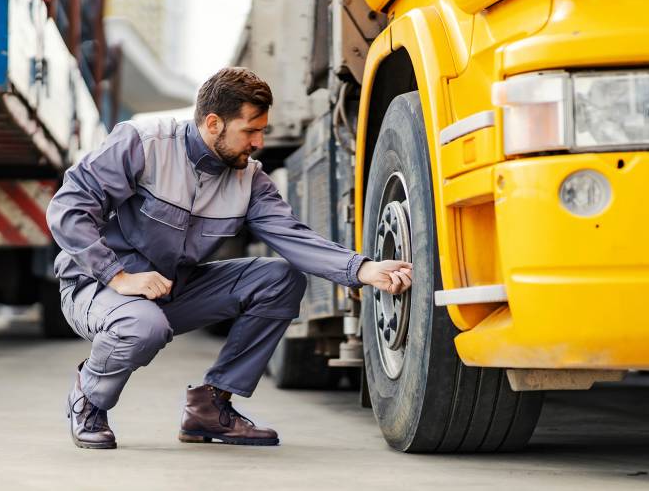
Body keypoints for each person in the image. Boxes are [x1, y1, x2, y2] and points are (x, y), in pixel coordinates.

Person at [46, 67, 412, 449]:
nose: (259, 142)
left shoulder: (249, 179)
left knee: (280, 279)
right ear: (213, 122)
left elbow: (293, 237)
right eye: (250, 130)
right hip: (96, 288)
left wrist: (364, 269)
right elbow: (68, 209)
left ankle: (210, 407)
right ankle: (89, 400)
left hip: (171, 288)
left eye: (262, 130)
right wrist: (118, 275)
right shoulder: (144, 144)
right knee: (141, 326)